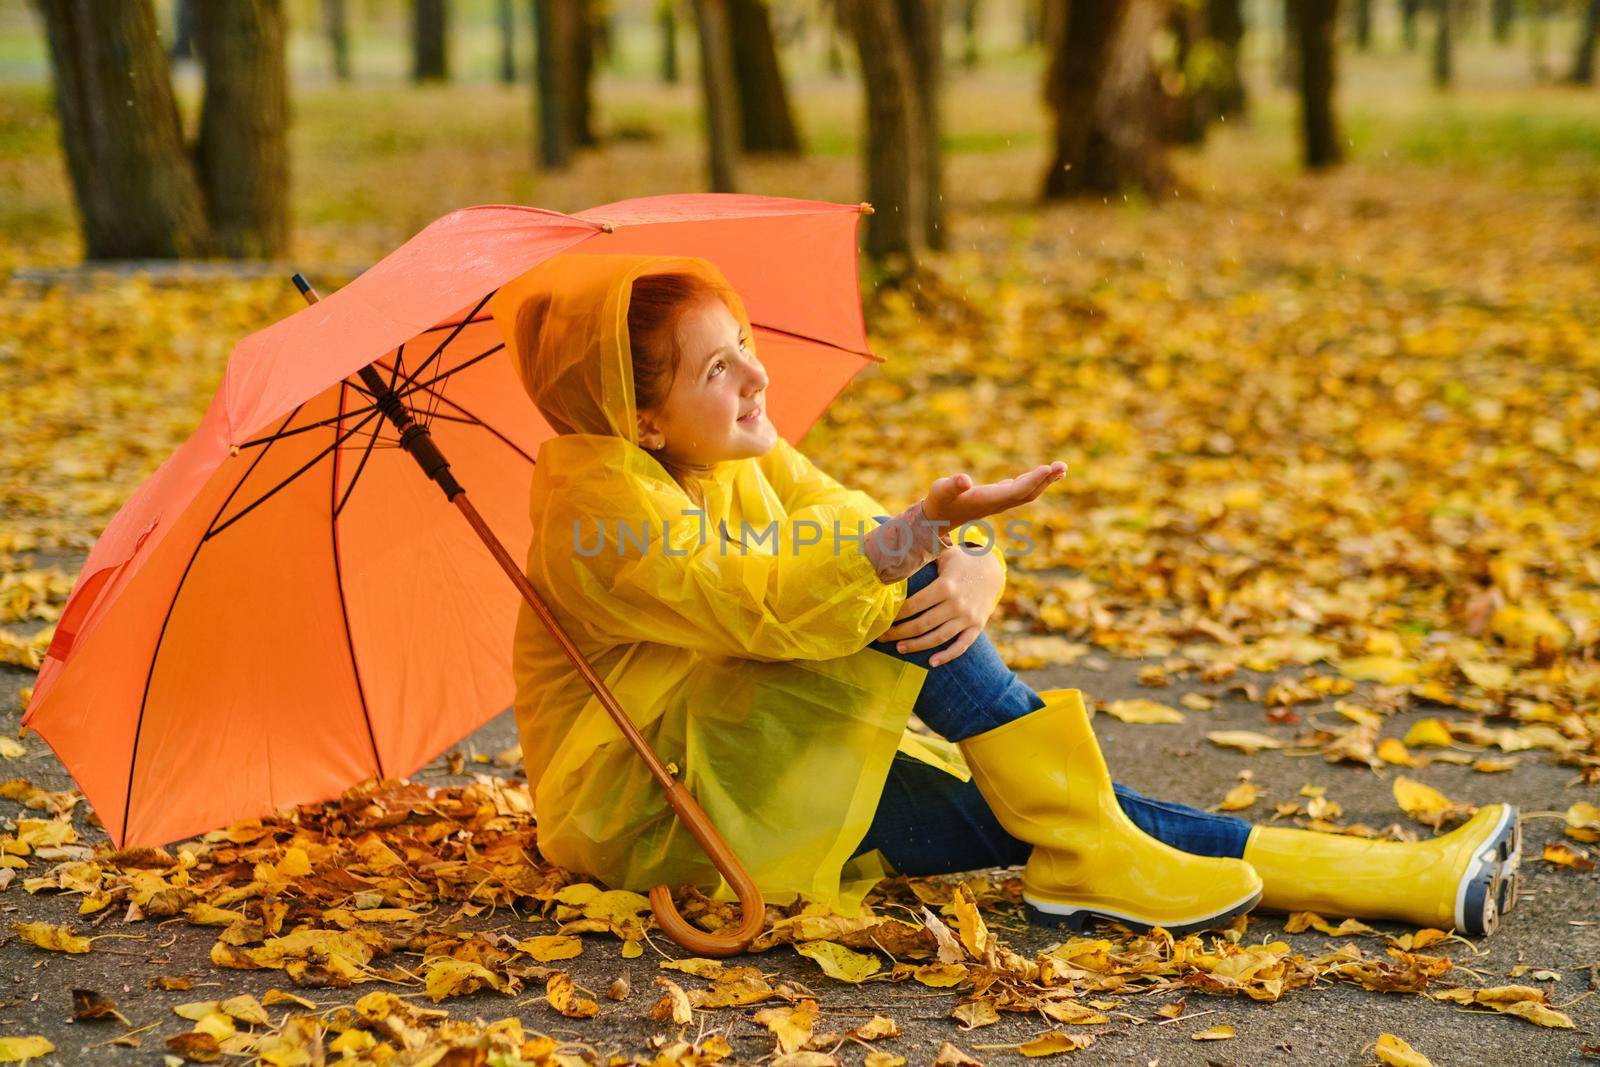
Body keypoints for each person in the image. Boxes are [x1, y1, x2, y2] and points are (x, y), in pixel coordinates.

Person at [490, 252, 1520, 937]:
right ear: (645, 417)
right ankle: (1117, 856)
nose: (756, 377)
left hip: (744, 754)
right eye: (719, 367)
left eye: (746, 343)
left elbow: (856, 524)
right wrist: (916, 547)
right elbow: (751, 597)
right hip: (657, 808)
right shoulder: (598, 515)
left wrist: (970, 548)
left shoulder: (736, 459)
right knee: (903, 610)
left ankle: (1407, 881)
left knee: (1040, 814)